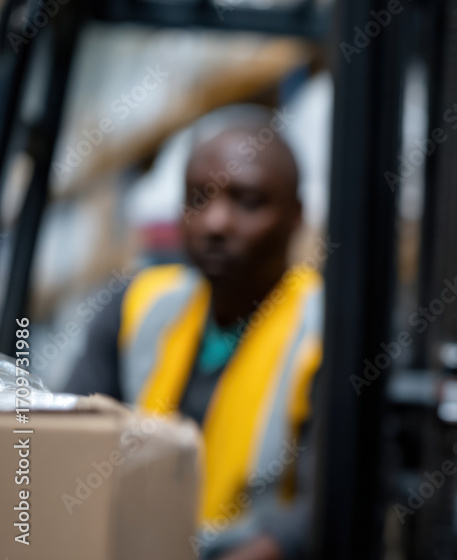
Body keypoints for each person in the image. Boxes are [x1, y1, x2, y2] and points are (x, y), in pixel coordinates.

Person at [65, 107, 321, 560]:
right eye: (198, 198)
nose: (215, 223)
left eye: (247, 201)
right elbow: (73, 443)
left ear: (296, 214)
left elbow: (325, 508)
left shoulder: (324, 330)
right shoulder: (136, 305)